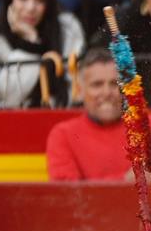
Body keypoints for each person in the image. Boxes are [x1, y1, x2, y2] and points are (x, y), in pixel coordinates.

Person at [45, 48, 144, 180]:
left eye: (114, 84)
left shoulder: (148, 128)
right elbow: (68, 195)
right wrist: (125, 181)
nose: (107, 92)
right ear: (80, 90)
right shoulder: (63, 135)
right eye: (97, 85)